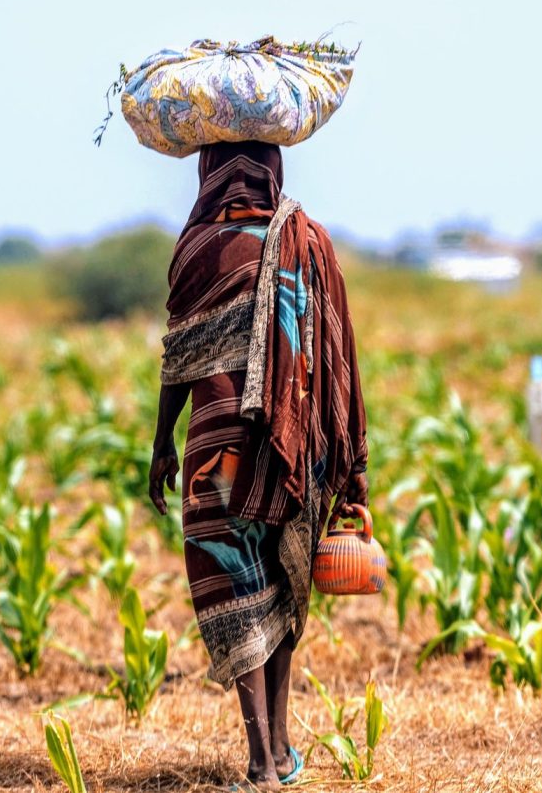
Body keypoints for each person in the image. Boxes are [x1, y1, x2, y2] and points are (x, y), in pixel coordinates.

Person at [148, 140, 369, 790]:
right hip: (293, 447)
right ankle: (280, 751)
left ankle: (259, 759)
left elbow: (180, 358)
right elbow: (336, 353)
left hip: (217, 449)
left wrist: (163, 441)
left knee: (239, 596)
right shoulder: (310, 241)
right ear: (273, 167)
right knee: (280, 588)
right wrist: (349, 464)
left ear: (208, 170)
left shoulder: (196, 248)